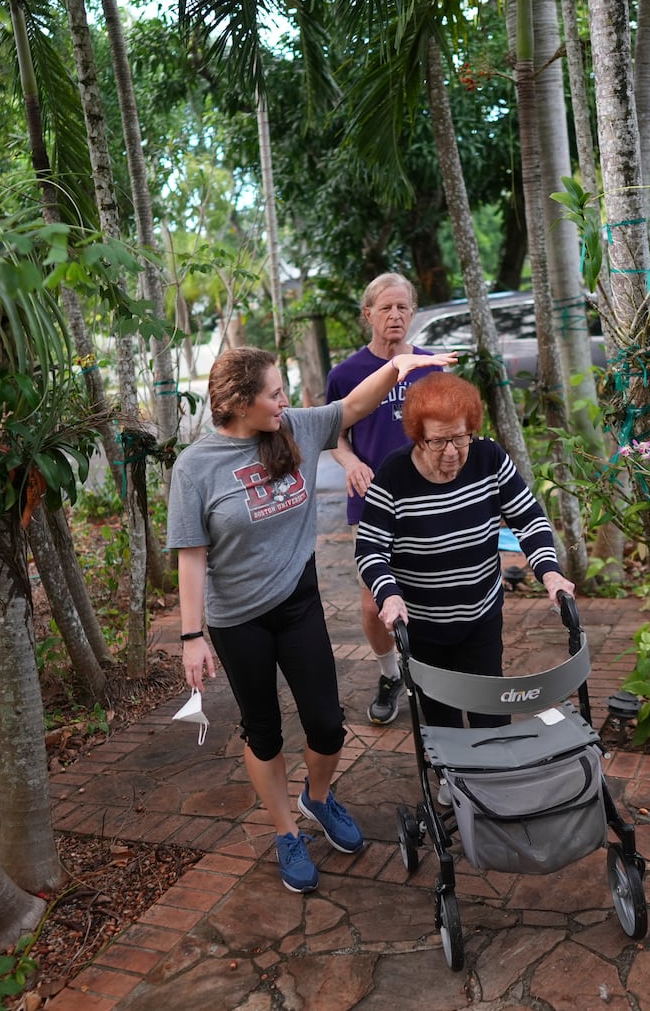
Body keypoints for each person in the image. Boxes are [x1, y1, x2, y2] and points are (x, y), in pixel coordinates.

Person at [169, 345, 454, 894]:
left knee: (326, 721)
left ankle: (316, 800)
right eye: (274, 393)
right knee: (264, 730)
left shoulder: (291, 427)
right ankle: (284, 831)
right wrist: (190, 636)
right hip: (238, 620)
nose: (285, 400)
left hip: (298, 602)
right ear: (238, 402)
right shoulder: (196, 467)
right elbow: (191, 553)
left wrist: (396, 370)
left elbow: (351, 408)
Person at [354, 373, 574, 799]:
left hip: (480, 614)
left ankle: (495, 784)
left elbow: (528, 518)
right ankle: (452, 781)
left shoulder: (488, 457)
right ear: (419, 436)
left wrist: (548, 571)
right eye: (438, 441)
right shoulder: (395, 474)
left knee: (490, 704)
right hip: (423, 623)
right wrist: (389, 593)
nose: (452, 452)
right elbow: (370, 549)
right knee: (441, 714)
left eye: (461, 438)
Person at [325, 272, 435, 726]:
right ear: (367, 314)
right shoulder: (346, 374)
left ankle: (432, 680)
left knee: (428, 595)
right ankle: (390, 673)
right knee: (374, 603)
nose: (395, 315)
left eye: (403, 307)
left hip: (428, 499)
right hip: (372, 503)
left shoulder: (431, 363)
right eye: (386, 308)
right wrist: (350, 463)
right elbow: (334, 435)